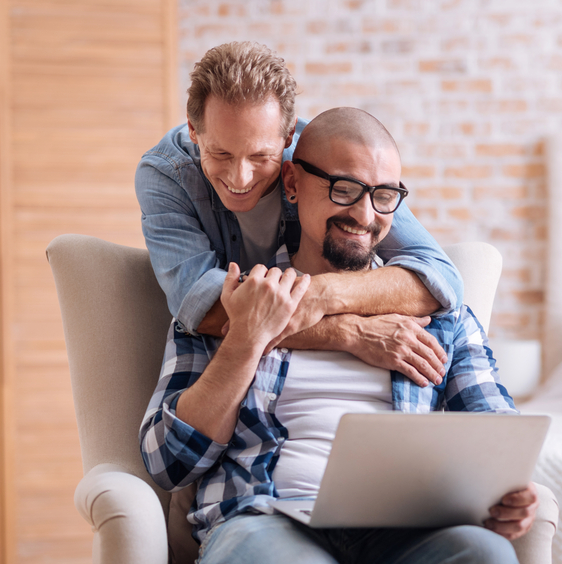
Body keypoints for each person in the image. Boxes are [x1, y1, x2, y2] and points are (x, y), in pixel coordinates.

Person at [139, 107, 539, 564]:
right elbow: (167, 462)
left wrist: (511, 490)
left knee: (487, 563)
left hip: (404, 530)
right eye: (346, 189)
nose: (365, 215)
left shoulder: (439, 314)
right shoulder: (229, 303)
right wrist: (248, 339)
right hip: (265, 519)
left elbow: (495, 429)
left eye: (384, 197)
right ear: (294, 184)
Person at [136, 41, 461, 387]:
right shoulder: (166, 173)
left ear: (288, 136)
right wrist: (348, 331)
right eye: (221, 154)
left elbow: (439, 278)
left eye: (261, 157)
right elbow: (202, 306)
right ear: (193, 130)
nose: (239, 178)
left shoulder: (323, 161)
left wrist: (322, 295)